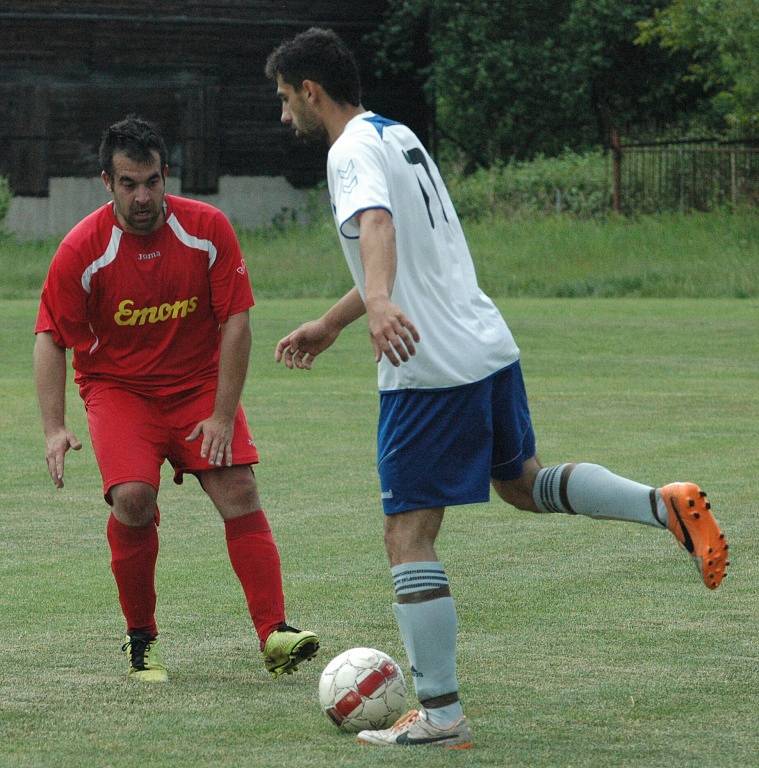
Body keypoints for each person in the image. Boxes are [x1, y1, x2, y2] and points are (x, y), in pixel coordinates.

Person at [264, 28, 729, 749]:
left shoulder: (348, 150)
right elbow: (407, 243)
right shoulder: (396, 135)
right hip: (482, 345)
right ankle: (661, 505)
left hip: (426, 369)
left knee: (407, 534)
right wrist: (335, 319)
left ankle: (442, 715)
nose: (284, 114)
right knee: (521, 483)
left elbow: (379, 226)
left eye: (285, 98)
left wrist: (382, 304)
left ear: (311, 91)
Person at [33, 115, 319, 683]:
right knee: (134, 499)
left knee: (239, 486)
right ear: (106, 183)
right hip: (120, 392)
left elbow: (236, 321)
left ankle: (275, 634)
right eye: (129, 184)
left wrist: (219, 414)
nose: (143, 197)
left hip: (196, 388)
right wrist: (53, 426)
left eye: (153, 181)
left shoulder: (207, 229)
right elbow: (50, 336)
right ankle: (141, 643)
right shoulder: (81, 249)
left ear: (167, 175)